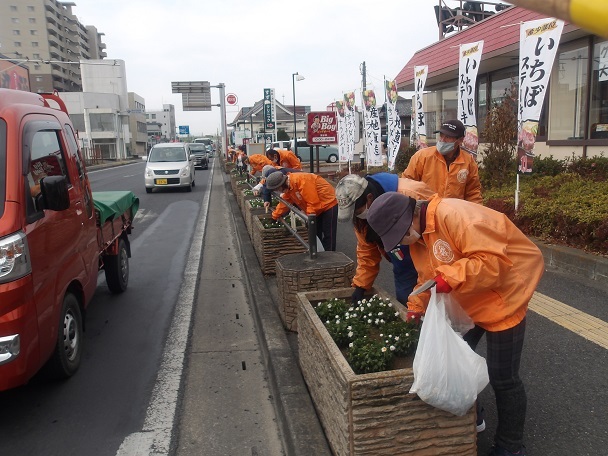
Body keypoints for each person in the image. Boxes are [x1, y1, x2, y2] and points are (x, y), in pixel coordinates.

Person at [367, 191, 545, 456]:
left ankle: (511, 446)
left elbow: (493, 264)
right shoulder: (418, 235)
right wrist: (417, 306)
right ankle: (475, 416)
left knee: (503, 378)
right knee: (456, 358)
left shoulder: (458, 217)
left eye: (402, 234)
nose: (403, 241)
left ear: (412, 215)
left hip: (504, 294)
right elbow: (427, 275)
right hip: (471, 296)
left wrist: (449, 277)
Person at [335, 173, 435, 304]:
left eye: (357, 212)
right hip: (402, 263)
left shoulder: (411, 193)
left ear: (369, 198)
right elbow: (367, 251)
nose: (356, 216)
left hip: (432, 259)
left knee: (437, 305)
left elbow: (439, 227)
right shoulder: (361, 220)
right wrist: (361, 284)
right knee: (406, 303)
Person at [402, 119, 483, 204]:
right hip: (424, 211)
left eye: (448, 137)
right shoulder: (422, 157)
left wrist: (476, 215)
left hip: (453, 213)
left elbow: (473, 193)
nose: (442, 140)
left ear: (460, 140)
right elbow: (406, 184)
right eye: (441, 135)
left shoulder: (468, 162)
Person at [265, 171, 338, 251]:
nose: (279, 191)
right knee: (316, 232)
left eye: (278, 188)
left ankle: (330, 256)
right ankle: (318, 253)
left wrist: (308, 218)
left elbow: (312, 202)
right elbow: (285, 202)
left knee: (328, 233)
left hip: (328, 203)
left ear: (281, 184)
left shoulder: (302, 181)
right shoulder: (289, 186)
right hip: (317, 207)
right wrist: (275, 216)